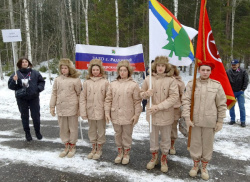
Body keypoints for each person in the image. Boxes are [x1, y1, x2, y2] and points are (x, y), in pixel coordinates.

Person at [182, 61, 227, 180]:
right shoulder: (192, 84)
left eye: (207, 70)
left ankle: (204, 167)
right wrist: (187, 118)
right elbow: (186, 101)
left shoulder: (216, 85)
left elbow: (221, 104)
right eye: (203, 70)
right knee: (195, 144)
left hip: (209, 121)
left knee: (207, 145)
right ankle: (195, 165)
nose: (205, 72)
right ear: (199, 71)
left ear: (211, 71)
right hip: (194, 121)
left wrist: (220, 121)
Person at [140, 56, 179, 173]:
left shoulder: (171, 80)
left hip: (166, 114)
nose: (160, 68)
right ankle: (154, 157)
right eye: (158, 65)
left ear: (166, 67)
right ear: (154, 66)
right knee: (153, 138)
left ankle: (164, 158)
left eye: (162, 66)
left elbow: (174, 97)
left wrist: (158, 107)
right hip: (152, 115)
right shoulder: (148, 79)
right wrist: (146, 93)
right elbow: (141, 94)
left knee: (166, 138)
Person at [105, 60, 142, 165]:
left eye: (124, 70)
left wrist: (136, 115)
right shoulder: (113, 84)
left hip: (128, 115)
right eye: (120, 70)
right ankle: (119, 152)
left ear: (128, 71)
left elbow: (137, 102)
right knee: (118, 134)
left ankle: (126, 153)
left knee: (127, 135)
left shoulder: (133, 85)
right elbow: (108, 99)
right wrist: (107, 113)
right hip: (115, 114)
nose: (122, 72)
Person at [50, 58, 82, 158]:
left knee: (72, 128)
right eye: (62, 68)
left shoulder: (75, 80)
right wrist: (52, 106)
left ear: (69, 69)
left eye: (65, 68)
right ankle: (66, 145)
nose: (63, 70)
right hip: (61, 107)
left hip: (72, 107)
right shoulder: (57, 79)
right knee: (63, 128)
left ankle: (72, 145)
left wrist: (80, 108)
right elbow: (54, 93)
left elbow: (79, 94)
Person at [8, 57, 45, 142]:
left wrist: (38, 89)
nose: (24, 63)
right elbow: (11, 86)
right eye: (22, 62)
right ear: (20, 64)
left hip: (33, 97)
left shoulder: (35, 73)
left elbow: (41, 82)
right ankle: (27, 133)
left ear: (28, 63)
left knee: (36, 116)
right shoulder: (16, 74)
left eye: (26, 62)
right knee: (24, 116)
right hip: (21, 98)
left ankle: (37, 132)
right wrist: (14, 80)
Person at [79, 59, 109, 160]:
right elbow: (83, 98)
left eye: (97, 69)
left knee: (101, 130)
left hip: (101, 111)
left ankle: (99, 148)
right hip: (90, 110)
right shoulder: (86, 82)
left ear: (100, 70)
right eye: (93, 70)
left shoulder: (105, 82)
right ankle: (93, 148)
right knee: (92, 130)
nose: (95, 71)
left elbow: (108, 98)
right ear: (91, 71)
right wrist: (83, 111)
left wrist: (107, 112)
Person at [226, 59, 249, 127]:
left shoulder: (243, 71)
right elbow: (225, 80)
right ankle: (232, 120)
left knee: (241, 107)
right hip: (231, 92)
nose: (234, 66)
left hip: (240, 92)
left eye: (235, 65)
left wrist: (243, 89)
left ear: (238, 64)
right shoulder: (228, 71)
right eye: (232, 65)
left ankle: (243, 121)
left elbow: (246, 80)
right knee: (231, 107)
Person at [169, 65, 185, 155]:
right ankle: (165, 144)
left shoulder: (179, 82)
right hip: (162, 108)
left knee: (173, 128)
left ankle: (172, 145)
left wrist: (184, 108)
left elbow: (183, 95)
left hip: (175, 108)